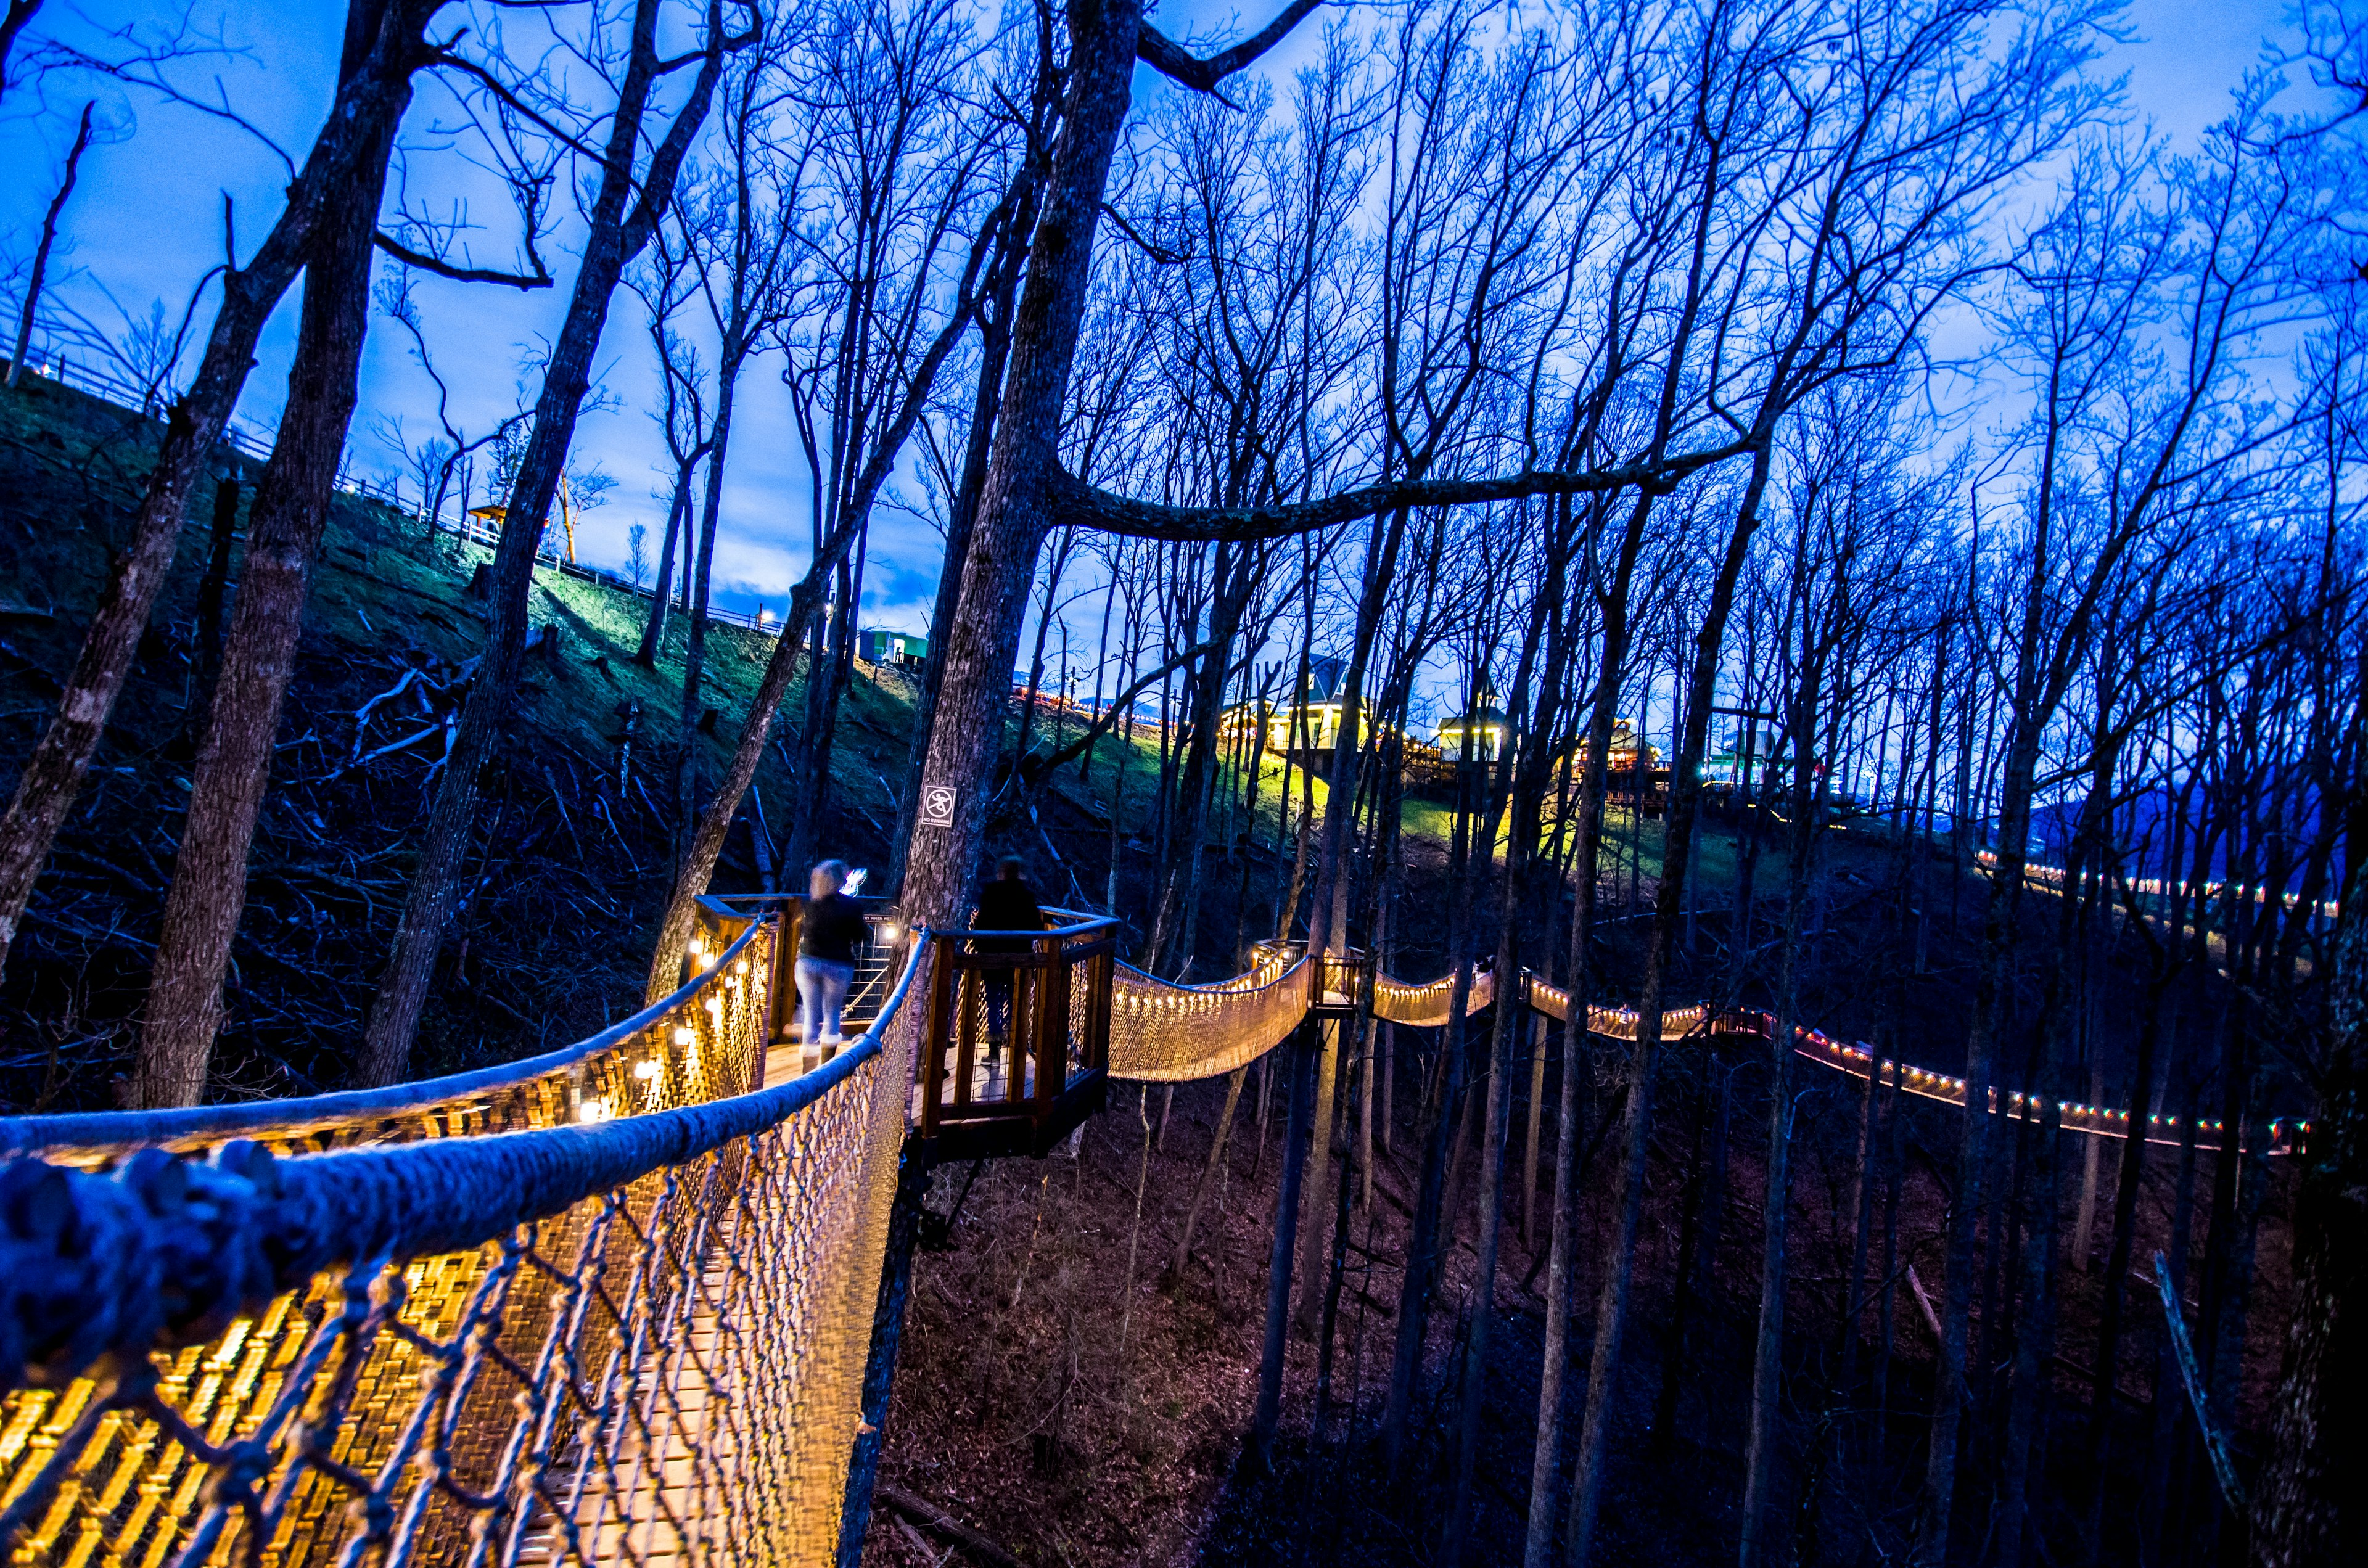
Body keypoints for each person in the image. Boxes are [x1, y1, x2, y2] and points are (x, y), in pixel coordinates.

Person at [972, 854, 1043, 1055]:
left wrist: (980, 949)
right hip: (1018, 958)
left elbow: (981, 924)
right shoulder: (1026, 895)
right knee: (1015, 1002)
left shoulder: (990, 892)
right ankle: (1015, 1047)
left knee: (993, 1002)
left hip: (992, 956)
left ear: (1001, 871)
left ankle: (994, 1049)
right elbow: (1036, 926)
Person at [797, 860, 867, 1051]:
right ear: (840, 882)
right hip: (838, 963)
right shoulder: (851, 906)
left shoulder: (810, 905)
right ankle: (828, 1064)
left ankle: (808, 1066)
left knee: (811, 1014)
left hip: (809, 962)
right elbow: (860, 935)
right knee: (832, 1012)